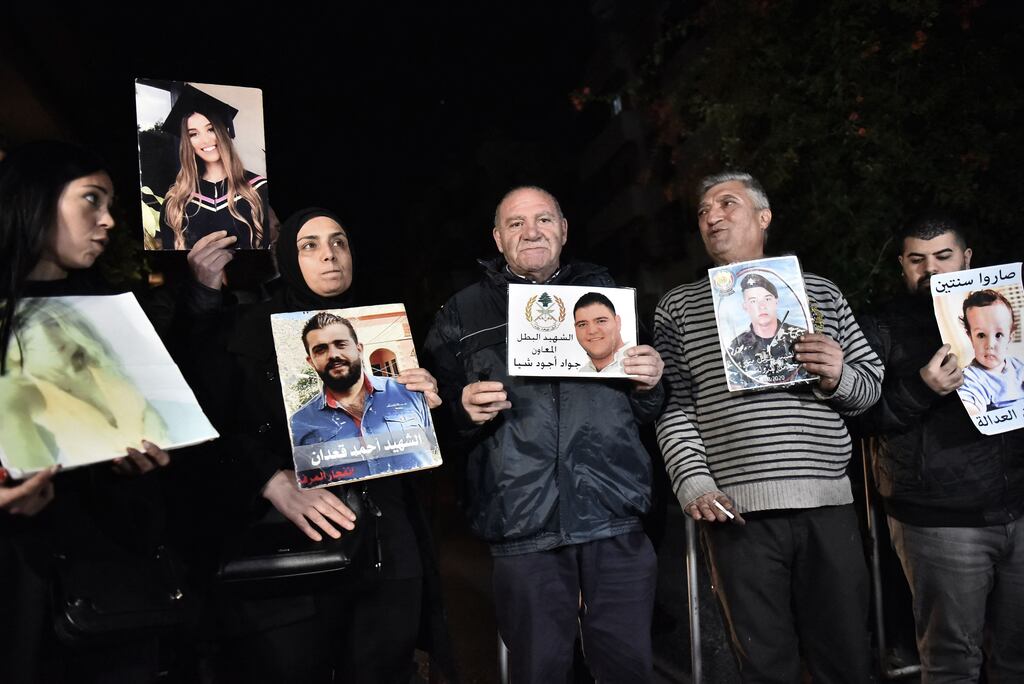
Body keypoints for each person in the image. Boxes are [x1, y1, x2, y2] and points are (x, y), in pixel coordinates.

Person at [186, 207, 452, 683]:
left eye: (339, 242)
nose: (329, 254)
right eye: (309, 245)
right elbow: (208, 426)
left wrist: (430, 405)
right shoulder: (246, 330)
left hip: (388, 553)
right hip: (293, 554)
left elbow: (432, 451)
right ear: (287, 257)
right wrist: (270, 480)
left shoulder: (385, 330)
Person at [425, 185, 665, 683]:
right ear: (497, 238)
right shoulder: (461, 313)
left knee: (629, 669)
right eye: (516, 223)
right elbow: (431, 425)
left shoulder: (611, 297)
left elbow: (649, 410)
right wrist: (460, 410)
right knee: (540, 672)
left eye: (543, 220)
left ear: (564, 230)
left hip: (612, 513)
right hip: (522, 522)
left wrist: (651, 384)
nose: (531, 231)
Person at [654, 171, 881, 682]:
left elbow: (869, 390)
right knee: (763, 663)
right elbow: (674, 407)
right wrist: (693, 480)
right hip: (737, 512)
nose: (711, 216)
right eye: (703, 210)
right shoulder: (678, 307)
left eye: (727, 204)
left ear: (764, 216)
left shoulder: (819, 294)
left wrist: (839, 374)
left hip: (827, 505)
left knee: (846, 657)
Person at [0, 140, 173, 683]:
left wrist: (137, 463)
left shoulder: (112, 316)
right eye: (91, 200)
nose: (107, 221)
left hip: (103, 584)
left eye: (111, 205)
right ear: (36, 200)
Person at [859, 214, 1024, 681]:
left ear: (967, 258)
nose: (930, 269)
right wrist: (921, 389)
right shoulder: (882, 326)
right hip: (939, 523)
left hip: (1018, 508)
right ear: (902, 266)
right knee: (951, 662)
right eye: (917, 260)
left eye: (943, 256)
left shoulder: (1008, 315)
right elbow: (859, 416)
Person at [289, 311, 438, 477]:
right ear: (311, 362)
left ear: (359, 350)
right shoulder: (300, 423)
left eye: (341, 344)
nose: (333, 355)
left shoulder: (408, 392)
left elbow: (437, 448)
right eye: (320, 350)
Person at [158, 86, 268, 250]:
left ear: (223, 132)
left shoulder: (259, 189)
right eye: (193, 134)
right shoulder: (175, 202)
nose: (205, 140)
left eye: (210, 129)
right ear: (188, 143)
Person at [726, 272, 805, 384]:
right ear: (745, 306)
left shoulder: (802, 337)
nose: (761, 306)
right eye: (753, 301)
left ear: (776, 301)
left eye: (767, 299)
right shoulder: (734, 348)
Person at [957, 289, 1024, 415]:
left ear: (1010, 337)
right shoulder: (971, 378)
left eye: (998, 335)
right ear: (971, 338)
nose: (990, 345)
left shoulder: (1018, 365)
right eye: (981, 335)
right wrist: (971, 409)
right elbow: (970, 407)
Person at [572, 291, 631, 373]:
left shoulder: (640, 364)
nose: (592, 331)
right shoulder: (582, 373)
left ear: (618, 322)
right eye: (582, 324)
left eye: (601, 321)